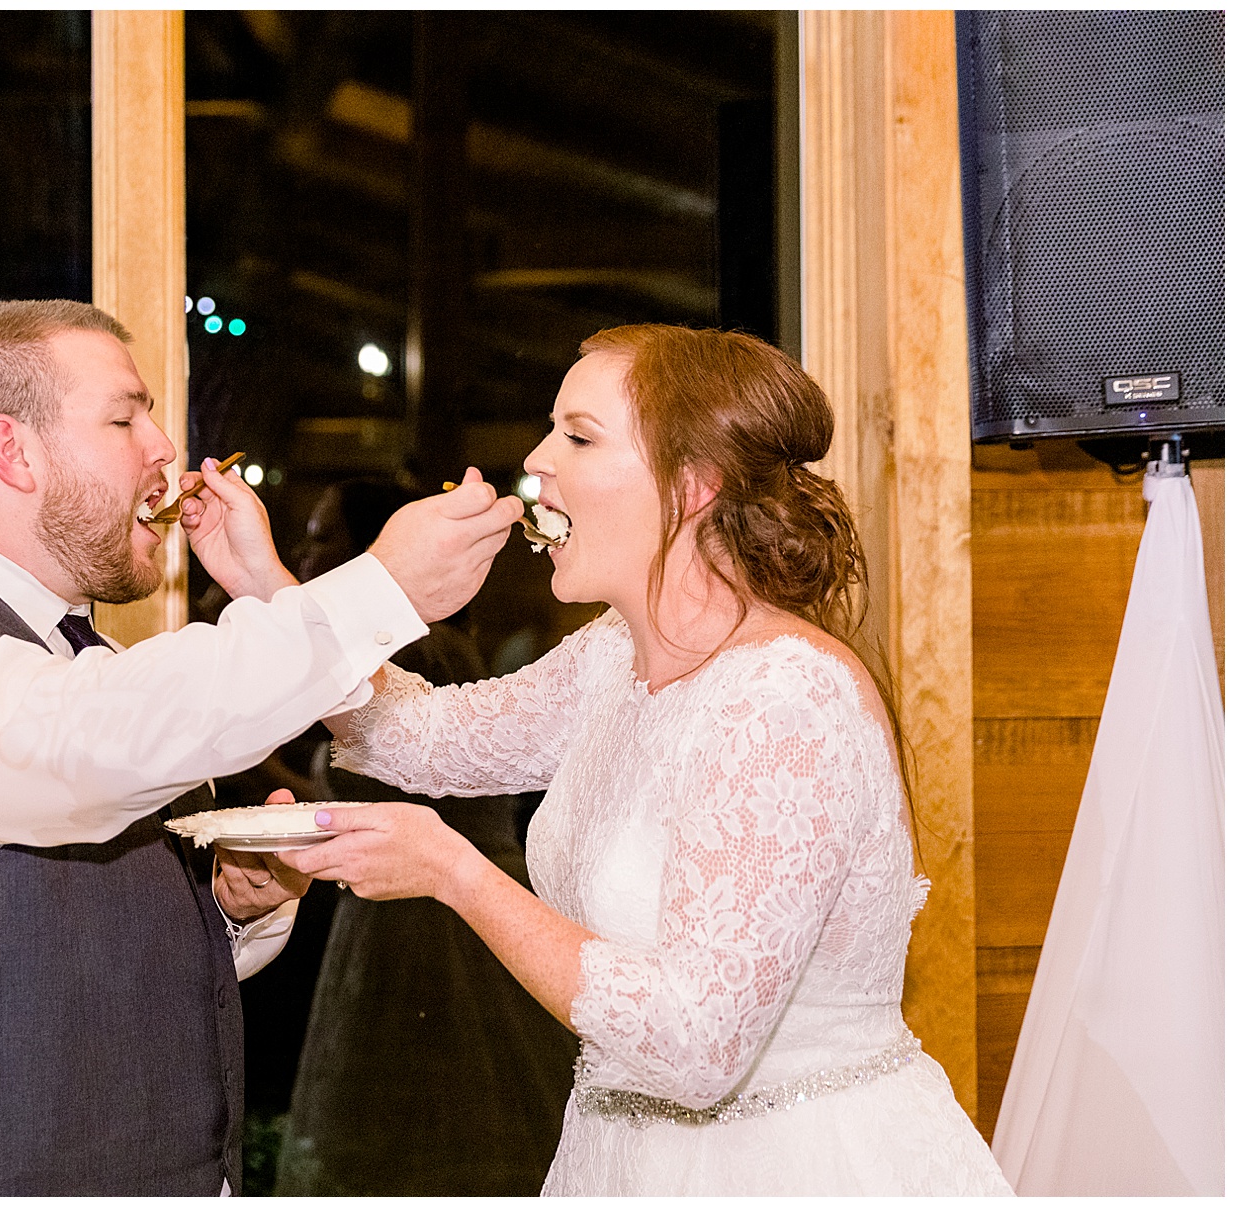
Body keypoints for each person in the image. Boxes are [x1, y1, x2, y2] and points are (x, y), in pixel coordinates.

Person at [0, 299, 523, 1196]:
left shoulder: (93, 662)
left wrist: (232, 909)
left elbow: (94, 952)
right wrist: (376, 591)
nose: (164, 447)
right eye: (125, 417)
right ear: (13, 451)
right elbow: (82, 742)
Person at [278, 324, 1014, 1194]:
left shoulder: (786, 699)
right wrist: (265, 580)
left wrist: (453, 870)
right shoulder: (611, 656)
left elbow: (698, 1042)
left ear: (692, 484)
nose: (538, 459)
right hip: (619, 1162)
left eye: (580, 436)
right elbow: (412, 736)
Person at [272, 479, 578, 1196]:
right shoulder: (395, 649)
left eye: (323, 536)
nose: (308, 549)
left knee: (440, 1134)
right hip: (394, 908)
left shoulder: (428, 652)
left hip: (438, 929)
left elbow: (401, 773)